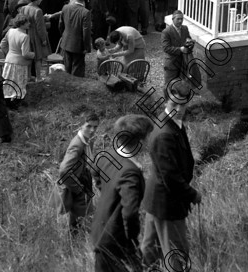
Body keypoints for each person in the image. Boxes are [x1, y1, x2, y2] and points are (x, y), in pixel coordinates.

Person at [141, 81, 201, 271]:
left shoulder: (170, 121)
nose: (178, 109)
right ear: (165, 101)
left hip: (156, 199)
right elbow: (171, 177)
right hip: (167, 201)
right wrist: (192, 194)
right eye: (173, 104)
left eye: (182, 104)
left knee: (151, 250)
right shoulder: (164, 134)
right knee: (176, 252)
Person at [91, 115, 154, 272]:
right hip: (114, 240)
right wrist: (132, 242)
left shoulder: (108, 155)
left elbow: (95, 171)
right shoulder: (130, 173)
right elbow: (130, 213)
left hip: (100, 229)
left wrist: (108, 193)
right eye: (148, 136)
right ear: (140, 142)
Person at [58, 113, 101, 238]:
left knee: (84, 214)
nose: (92, 130)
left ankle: (80, 239)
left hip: (84, 179)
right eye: (88, 126)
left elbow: (88, 160)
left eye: (95, 127)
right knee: (77, 217)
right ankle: (73, 242)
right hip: (77, 183)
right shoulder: (77, 145)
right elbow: (64, 170)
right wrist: (78, 189)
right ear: (80, 126)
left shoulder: (88, 140)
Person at [0, 14, 35, 106]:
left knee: (8, 82)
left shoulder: (10, 31)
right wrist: (33, 55)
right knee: (19, 83)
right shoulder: (25, 36)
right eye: (27, 22)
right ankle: (15, 104)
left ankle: (6, 101)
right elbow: (25, 53)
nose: (29, 24)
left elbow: (2, 45)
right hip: (20, 63)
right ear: (22, 24)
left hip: (9, 61)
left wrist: (9, 53)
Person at [60, 0, 92, 77]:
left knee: (67, 67)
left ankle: (67, 85)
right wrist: (86, 47)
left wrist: (64, 36)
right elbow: (86, 32)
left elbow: (60, 25)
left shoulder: (65, 7)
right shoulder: (85, 12)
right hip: (78, 45)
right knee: (77, 70)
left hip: (66, 42)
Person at [161, 11, 194, 87]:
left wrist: (190, 44)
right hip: (171, 62)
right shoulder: (166, 32)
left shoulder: (185, 29)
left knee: (181, 85)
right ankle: (167, 98)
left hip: (183, 62)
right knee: (169, 84)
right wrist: (181, 49)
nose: (180, 21)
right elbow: (166, 48)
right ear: (173, 19)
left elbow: (188, 39)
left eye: (182, 19)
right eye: (178, 19)